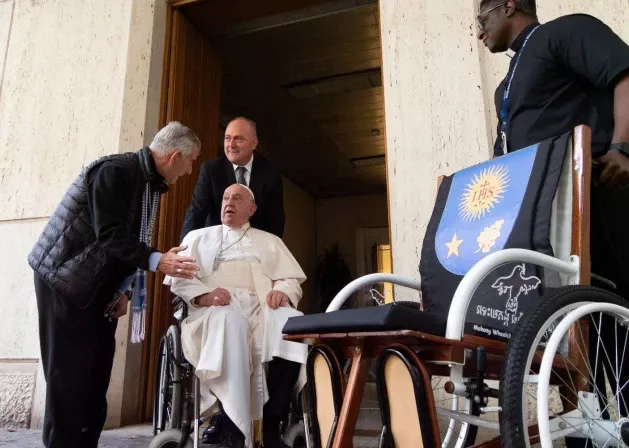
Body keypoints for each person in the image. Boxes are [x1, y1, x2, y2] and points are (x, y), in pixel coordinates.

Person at [476, 0, 629, 422]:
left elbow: (624, 74)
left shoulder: (564, 32)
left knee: (615, 317)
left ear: (508, 5)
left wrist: (621, 146)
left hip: (595, 197)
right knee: (569, 333)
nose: (479, 32)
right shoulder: (504, 86)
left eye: (481, 19)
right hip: (545, 221)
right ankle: (586, 426)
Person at [28, 121, 202, 448]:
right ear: (175, 155)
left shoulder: (147, 183)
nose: (190, 170)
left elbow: (127, 242)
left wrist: (124, 290)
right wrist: (157, 260)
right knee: (67, 381)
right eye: (191, 161)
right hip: (64, 282)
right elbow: (109, 235)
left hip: (97, 289)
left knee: (95, 379)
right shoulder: (114, 171)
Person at [166, 183, 306, 448]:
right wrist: (203, 296)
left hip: (261, 306)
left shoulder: (270, 241)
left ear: (252, 209)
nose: (229, 202)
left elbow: (290, 279)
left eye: (237, 198)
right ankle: (233, 427)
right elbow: (179, 280)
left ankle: (271, 426)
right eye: (225, 198)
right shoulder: (197, 237)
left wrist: (282, 291)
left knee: (291, 324)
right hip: (213, 309)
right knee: (232, 323)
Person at [180, 117, 285, 241]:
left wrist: (265, 250)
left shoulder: (270, 172)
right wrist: (184, 250)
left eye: (238, 139)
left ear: (254, 143)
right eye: (227, 138)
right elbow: (196, 213)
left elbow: (275, 220)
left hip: (255, 248)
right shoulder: (211, 170)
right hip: (217, 246)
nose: (231, 145)